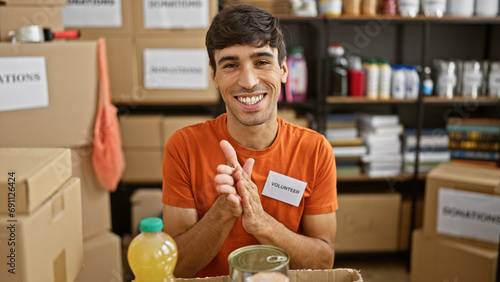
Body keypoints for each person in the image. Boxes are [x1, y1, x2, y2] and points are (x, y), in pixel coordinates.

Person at [161, 4, 338, 278]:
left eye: (262, 62)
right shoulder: (183, 146)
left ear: (283, 70)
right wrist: (224, 211)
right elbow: (176, 266)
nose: (248, 81)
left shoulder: (315, 150)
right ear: (214, 77)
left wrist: (261, 223)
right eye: (231, 65)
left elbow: (323, 262)